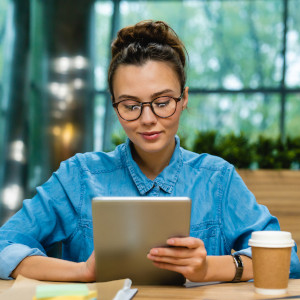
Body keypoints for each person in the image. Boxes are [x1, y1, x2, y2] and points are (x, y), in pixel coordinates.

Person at [0, 20, 299, 283]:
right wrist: (83, 272)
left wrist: (210, 268)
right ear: (115, 107)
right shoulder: (78, 176)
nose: (147, 119)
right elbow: (4, 245)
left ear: (183, 98)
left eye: (163, 101)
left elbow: (287, 259)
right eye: (131, 105)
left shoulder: (217, 179)